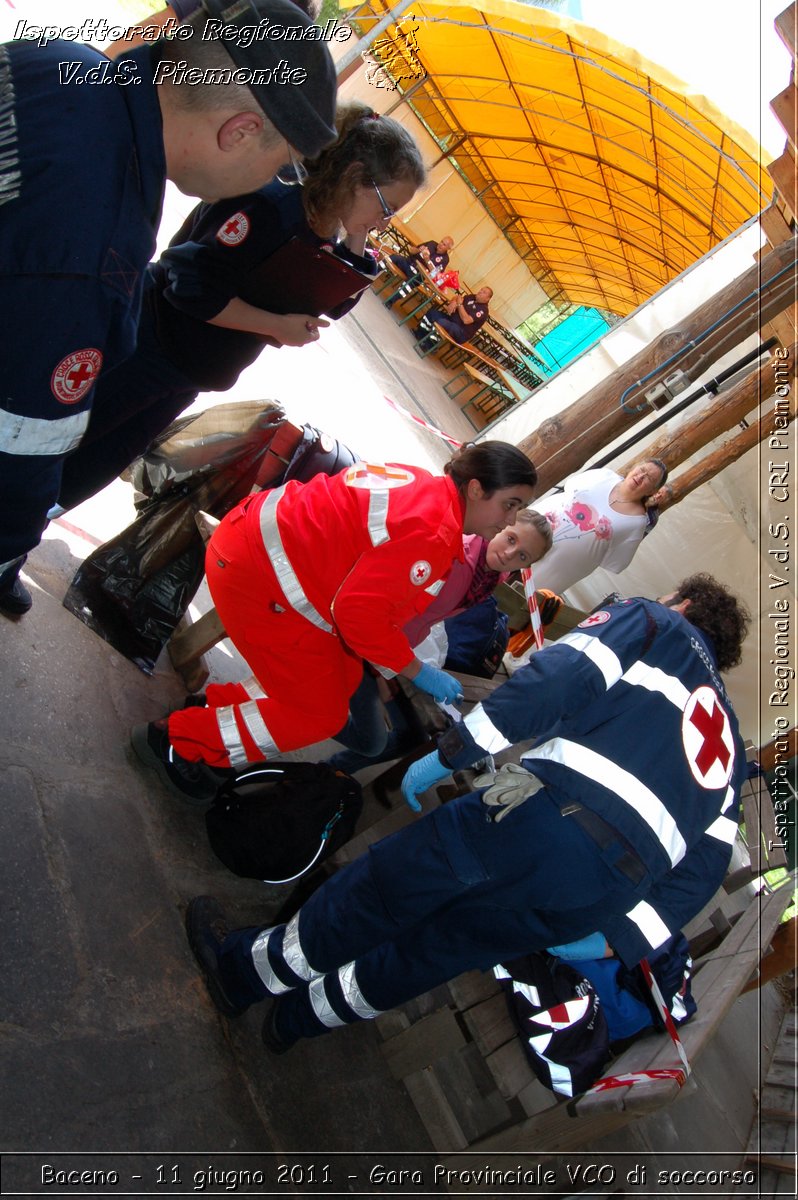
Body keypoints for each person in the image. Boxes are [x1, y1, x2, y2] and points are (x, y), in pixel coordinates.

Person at [183, 573, 749, 1050]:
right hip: (596, 893)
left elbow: (557, 681)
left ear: (687, 605)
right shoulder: (734, 751)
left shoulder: (656, 623)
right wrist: (611, 941)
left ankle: (243, 974)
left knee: (381, 893)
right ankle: (298, 1022)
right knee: (436, 953)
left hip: (540, 825)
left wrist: (453, 753)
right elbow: (701, 873)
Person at [0, 0, 338, 617]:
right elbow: (20, 439)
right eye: (283, 166)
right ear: (238, 132)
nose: (280, 181)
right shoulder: (101, 240)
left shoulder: (57, 61)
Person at [56, 101, 425, 513]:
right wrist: (276, 325)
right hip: (149, 345)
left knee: (96, 464)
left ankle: (15, 541)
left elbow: (335, 299)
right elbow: (190, 286)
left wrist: (356, 235)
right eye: (386, 206)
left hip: (187, 369)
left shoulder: (325, 220)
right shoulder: (276, 204)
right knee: (60, 445)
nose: (386, 220)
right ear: (356, 176)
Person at [132, 442, 538, 802]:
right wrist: (414, 671)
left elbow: (371, 603)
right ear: (476, 489)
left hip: (261, 555)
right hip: (258, 577)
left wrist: (396, 657)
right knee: (320, 715)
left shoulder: (427, 488)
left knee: (339, 682)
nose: (509, 520)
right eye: (510, 504)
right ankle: (179, 740)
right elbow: (358, 617)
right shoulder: (433, 533)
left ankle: (215, 712)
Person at [327, 509, 553, 775]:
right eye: (511, 539)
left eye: (522, 556)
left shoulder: (488, 577)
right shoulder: (455, 558)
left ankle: (331, 772)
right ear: (502, 526)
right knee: (372, 742)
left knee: (414, 735)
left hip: (394, 655)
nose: (509, 554)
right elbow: (393, 613)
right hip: (364, 647)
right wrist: (381, 672)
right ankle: (311, 715)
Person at [533, 459, 669, 596]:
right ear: (634, 467)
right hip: (529, 529)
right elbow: (570, 486)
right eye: (641, 470)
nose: (640, 477)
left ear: (652, 490)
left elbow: (615, 561)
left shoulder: (637, 523)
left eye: (649, 478)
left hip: (554, 570)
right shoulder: (604, 476)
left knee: (522, 595)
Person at [417, 286, 493, 346]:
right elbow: (459, 297)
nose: (480, 292)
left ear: (487, 299)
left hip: (461, 332)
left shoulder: (483, 310)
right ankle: (420, 334)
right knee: (432, 313)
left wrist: (459, 304)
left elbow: (466, 320)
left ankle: (430, 345)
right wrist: (454, 301)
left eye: (484, 292)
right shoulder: (472, 297)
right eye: (481, 290)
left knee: (441, 322)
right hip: (452, 320)